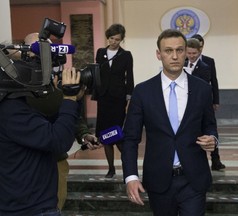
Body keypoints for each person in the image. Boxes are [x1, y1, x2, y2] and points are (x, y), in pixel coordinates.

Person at [121, 29, 218, 216]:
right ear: (159, 54)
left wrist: (213, 138)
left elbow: (209, 125)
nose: (174, 56)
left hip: (194, 178)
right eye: (168, 51)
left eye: (180, 50)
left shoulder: (202, 89)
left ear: (186, 52)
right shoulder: (143, 92)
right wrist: (131, 177)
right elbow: (130, 139)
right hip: (159, 179)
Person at [23, 32, 101, 210]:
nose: (45, 60)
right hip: (27, 164)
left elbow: (66, 114)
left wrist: (83, 134)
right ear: (28, 54)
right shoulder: (18, 85)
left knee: (56, 207)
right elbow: (49, 106)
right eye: (40, 54)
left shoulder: (54, 81)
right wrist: (68, 96)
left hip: (56, 161)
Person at [0, 60, 82, 216]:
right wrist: (69, 99)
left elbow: (44, 125)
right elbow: (59, 141)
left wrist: (63, 96)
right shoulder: (11, 112)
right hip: (30, 208)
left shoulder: (14, 106)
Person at [92, 23, 134, 178]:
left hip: (118, 99)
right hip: (104, 99)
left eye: (117, 39)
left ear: (121, 40)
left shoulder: (126, 55)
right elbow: (96, 74)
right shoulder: (100, 52)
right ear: (107, 37)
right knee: (105, 135)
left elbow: (129, 78)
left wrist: (129, 99)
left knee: (118, 135)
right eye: (111, 38)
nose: (114, 41)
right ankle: (111, 168)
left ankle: (129, 168)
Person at [190, 34, 225, 171]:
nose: (192, 55)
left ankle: (215, 159)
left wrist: (215, 100)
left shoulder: (208, 62)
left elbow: (214, 82)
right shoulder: (184, 61)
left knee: (210, 130)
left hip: (204, 102)